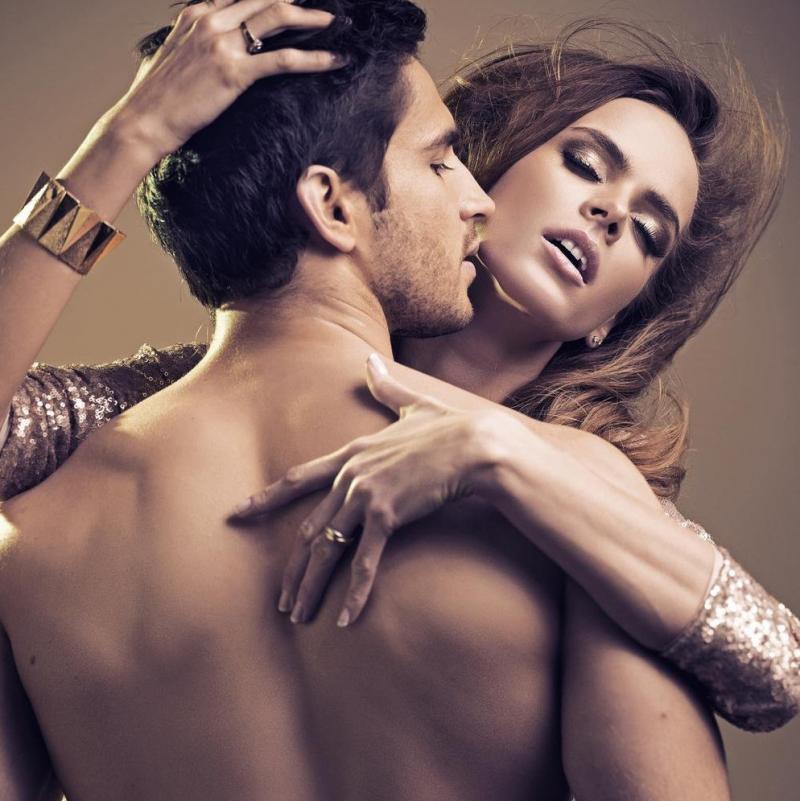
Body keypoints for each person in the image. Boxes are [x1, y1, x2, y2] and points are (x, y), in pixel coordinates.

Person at [0, 0, 795, 745]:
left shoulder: (586, 495)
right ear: (478, 165)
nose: (613, 214)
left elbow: (779, 672)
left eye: (649, 233)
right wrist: (129, 136)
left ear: (609, 321)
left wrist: (506, 453)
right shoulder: (179, 404)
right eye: (585, 164)